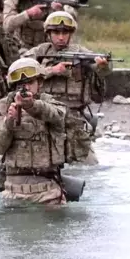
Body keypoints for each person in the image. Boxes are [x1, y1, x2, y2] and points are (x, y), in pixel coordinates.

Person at [22, 11, 110, 165]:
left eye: (65, 32)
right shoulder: (39, 52)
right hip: (43, 116)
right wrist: (51, 70)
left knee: (90, 166)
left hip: (72, 118)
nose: (61, 37)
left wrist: (102, 66)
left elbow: (101, 70)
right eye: (56, 32)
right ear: (48, 34)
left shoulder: (81, 52)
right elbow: (21, 72)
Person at [0, 58, 68, 206]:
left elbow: (56, 115)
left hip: (47, 192)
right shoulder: (2, 107)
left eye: (30, 82)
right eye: (20, 84)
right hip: (12, 192)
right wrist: (9, 122)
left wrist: (31, 106)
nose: (25, 88)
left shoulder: (51, 104)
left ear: (40, 83)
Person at [2, 0, 77, 51]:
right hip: (22, 46)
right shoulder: (14, 0)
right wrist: (28, 14)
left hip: (50, 47)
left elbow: (72, 22)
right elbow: (6, 26)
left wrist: (57, 11)